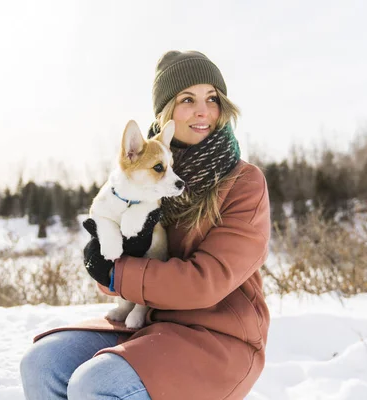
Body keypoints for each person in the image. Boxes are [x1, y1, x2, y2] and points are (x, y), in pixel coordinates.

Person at [20, 50, 271, 400]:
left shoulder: (244, 182)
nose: (204, 111)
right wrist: (104, 261)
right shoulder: (138, 173)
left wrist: (116, 274)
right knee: (42, 362)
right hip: (149, 321)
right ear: (165, 112)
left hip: (218, 335)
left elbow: (206, 283)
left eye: (212, 99)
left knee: (96, 384)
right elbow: (119, 261)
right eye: (188, 99)